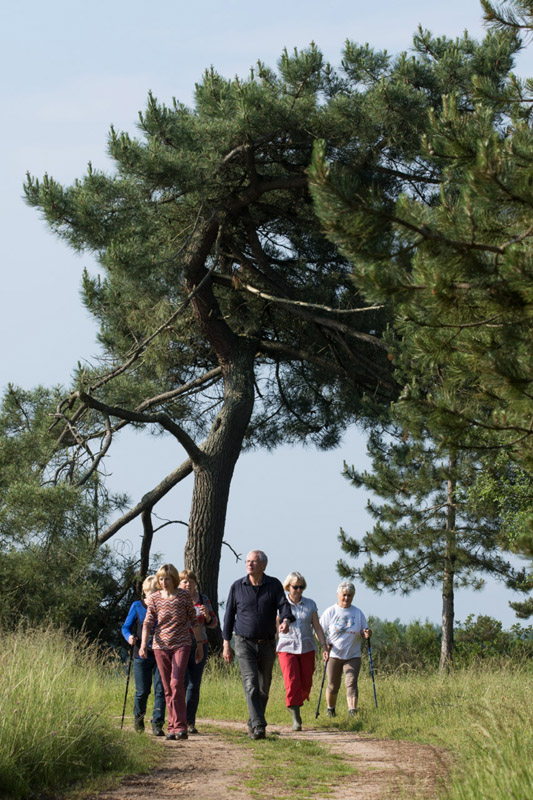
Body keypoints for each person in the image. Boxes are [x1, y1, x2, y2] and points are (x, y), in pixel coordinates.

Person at [222, 550, 295, 740]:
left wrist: (285, 621)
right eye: (247, 561)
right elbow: (228, 615)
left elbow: (284, 606)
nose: (249, 564)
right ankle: (259, 725)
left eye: (253, 562)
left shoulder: (274, 585)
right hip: (243, 642)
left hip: (267, 643)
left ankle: (253, 721)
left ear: (263, 565)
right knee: (251, 684)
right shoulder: (237, 586)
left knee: (264, 686)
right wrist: (226, 643)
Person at [139, 563, 204, 741]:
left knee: (177, 683)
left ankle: (181, 726)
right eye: (161, 578)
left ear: (174, 579)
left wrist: (199, 645)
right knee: (167, 687)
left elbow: (194, 621)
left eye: (167, 578)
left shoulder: (183, 596)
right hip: (160, 646)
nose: (164, 581)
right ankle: (172, 727)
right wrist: (144, 644)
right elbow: (147, 622)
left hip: (181, 644)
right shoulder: (155, 599)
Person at [276, 571, 329, 731]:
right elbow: (275, 628)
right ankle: (295, 717)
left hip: (307, 647)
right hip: (287, 648)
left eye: (301, 587)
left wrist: (324, 646)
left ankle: (297, 701)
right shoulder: (281, 604)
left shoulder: (310, 604)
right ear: (288, 587)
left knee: (306, 682)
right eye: (295, 587)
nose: (299, 590)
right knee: (292, 681)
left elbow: (317, 626)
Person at [121, 575, 166, 736]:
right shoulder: (137, 606)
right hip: (141, 654)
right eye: (148, 592)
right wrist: (130, 638)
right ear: (144, 591)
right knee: (142, 691)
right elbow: (126, 627)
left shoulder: (163, 605)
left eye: (155, 591)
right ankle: (138, 719)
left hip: (161, 653)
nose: (151, 595)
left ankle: (158, 724)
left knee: (161, 690)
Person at [319, 581, 372, 717]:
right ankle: (331, 709)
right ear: (338, 595)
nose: (346, 598)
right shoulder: (331, 611)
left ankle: (352, 711)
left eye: (349, 595)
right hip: (334, 654)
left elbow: (363, 631)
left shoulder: (358, 613)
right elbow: (318, 631)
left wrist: (366, 634)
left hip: (353, 655)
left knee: (351, 683)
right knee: (333, 684)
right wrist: (325, 645)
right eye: (344, 595)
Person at [178, 569, 218, 734]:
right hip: (180, 645)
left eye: (191, 581)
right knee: (181, 683)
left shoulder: (203, 599)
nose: (188, 584)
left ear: (196, 583)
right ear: (179, 584)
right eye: (185, 581)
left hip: (200, 644)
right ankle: (178, 720)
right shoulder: (176, 598)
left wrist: (207, 615)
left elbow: (214, 623)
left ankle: (190, 722)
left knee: (194, 685)